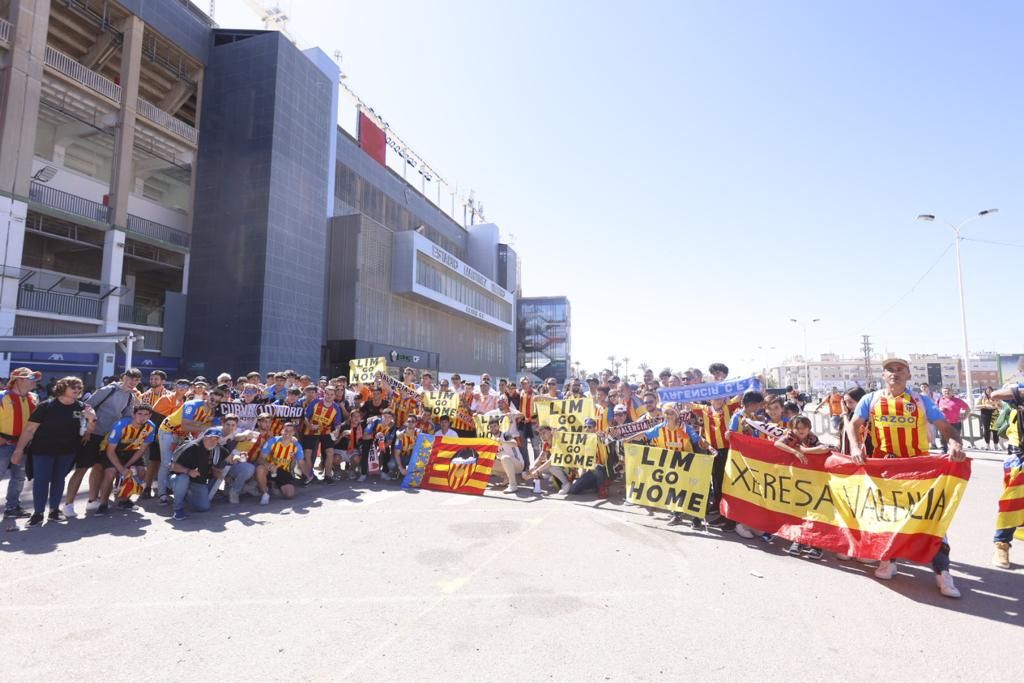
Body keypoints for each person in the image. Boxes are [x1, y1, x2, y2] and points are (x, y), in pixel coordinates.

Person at [847, 357, 965, 598]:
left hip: (919, 471)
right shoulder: (871, 399)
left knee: (932, 518)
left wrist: (954, 443)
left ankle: (943, 573)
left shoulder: (921, 401)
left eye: (900, 370)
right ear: (883, 375)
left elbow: (945, 427)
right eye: (889, 369)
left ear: (908, 375)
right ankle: (888, 561)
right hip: (885, 470)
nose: (894, 373)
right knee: (887, 516)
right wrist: (855, 448)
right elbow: (853, 424)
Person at [10, 377, 95, 526]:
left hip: (67, 451)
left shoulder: (82, 407)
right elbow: (30, 429)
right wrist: (18, 450)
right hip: (43, 450)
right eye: (73, 387)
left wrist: (92, 419)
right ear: (62, 388)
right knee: (41, 481)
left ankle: (54, 511)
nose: (77, 390)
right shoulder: (46, 406)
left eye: (79, 388)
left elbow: (90, 430)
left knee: (58, 479)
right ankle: (38, 513)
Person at [64, 368, 141, 518]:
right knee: (81, 469)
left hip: (108, 439)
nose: (133, 382)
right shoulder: (108, 390)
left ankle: (93, 500)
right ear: (123, 377)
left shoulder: (131, 397)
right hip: (91, 435)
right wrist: (87, 429)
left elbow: (126, 418)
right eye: (131, 378)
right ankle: (68, 504)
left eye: (136, 380)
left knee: (99, 468)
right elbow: (86, 407)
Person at [155, 386, 226, 505]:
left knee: (180, 462)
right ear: (207, 396)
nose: (214, 403)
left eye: (218, 402)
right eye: (212, 399)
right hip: (169, 430)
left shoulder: (212, 411)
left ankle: (175, 488)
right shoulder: (192, 405)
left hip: (183, 436)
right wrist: (206, 427)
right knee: (167, 462)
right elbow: (185, 425)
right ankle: (161, 493)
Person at [773, 416, 831, 559]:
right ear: (792, 428)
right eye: (797, 428)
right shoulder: (791, 437)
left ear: (809, 428)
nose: (801, 430)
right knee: (798, 511)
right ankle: (798, 540)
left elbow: (824, 449)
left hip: (813, 481)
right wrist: (794, 451)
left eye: (804, 427)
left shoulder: (812, 438)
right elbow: (777, 444)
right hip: (796, 481)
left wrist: (805, 450)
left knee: (815, 512)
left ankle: (816, 544)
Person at [96, 404, 156, 514]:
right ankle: (103, 504)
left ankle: (124, 500)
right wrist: (122, 469)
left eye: (146, 415)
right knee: (111, 472)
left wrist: (126, 467)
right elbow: (110, 451)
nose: (142, 417)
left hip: (132, 451)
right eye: (139, 414)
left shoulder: (151, 427)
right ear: (133, 415)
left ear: (150, 416)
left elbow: (141, 450)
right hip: (113, 450)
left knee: (141, 471)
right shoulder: (121, 425)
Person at [0, 366, 42, 520]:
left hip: (24, 445)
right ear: (18, 379)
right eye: (31, 378)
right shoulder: (2, 397)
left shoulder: (34, 398)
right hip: (2, 444)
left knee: (18, 478)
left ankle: (12, 507)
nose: (35, 381)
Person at [990, 384, 1023, 569]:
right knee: (1013, 503)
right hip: (1020, 457)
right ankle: (1001, 544)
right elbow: (995, 394)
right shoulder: (1018, 390)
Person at [169, 427, 224, 520]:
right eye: (210, 438)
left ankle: (184, 495)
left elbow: (229, 458)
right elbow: (172, 466)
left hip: (197, 481)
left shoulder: (216, 449)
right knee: (183, 479)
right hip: (177, 478)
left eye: (216, 439)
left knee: (204, 507)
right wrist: (188, 471)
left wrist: (237, 458)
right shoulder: (190, 447)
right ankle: (178, 509)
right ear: (204, 437)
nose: (213, 441)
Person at [259, 422, 305, 501]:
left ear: (293, 433)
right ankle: (265, 493)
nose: (288, 433)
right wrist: (269, 465)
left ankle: (274, 485)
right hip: (270, 469)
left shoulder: (296, 445)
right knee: (260, 468)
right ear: (282, 431)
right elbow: (260, 459)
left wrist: (308, 475)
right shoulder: (272, 441)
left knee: (290, 494)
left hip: (283, 471)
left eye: (290, 431)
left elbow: (301, 462)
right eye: (286, 430)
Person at [566, 418, 611, 496]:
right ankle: (596, 485)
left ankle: (601, 488)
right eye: (585, 427)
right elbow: (579, 457)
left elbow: (606, 442)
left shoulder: (599, 437)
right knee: (574, 489)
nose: (587, 429)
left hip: (602, 469)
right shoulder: (583, 440)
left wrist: (601, 437)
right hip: (590, 471)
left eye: (589, 427)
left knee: (596, 467)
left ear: (594, 428)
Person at [486, 417, 523, 493]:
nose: (493, 428)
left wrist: (503, 442)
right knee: (487, 463)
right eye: (491, 427)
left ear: (499, 426)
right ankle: (507, 478)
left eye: (495, 426)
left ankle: (513, 485)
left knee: (504, 457)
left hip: (518, 464)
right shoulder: (491, 439)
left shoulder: (506, 434)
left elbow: (515, 444)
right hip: (506, 465)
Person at [936, 387, 970, 455]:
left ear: (952, 392)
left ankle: (956, 450)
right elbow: (934, 410)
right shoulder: (939, 400)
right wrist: (940, 409)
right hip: (943, 422)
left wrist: (965, 417)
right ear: (942, 393)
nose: (946, 392)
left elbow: (967, 409)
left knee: (956, 437)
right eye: (945, 391)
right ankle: (944, 449)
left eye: (948, 391)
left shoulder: (958, 400)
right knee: (942, 437)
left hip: (955, 422)